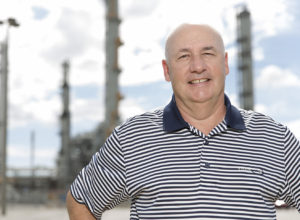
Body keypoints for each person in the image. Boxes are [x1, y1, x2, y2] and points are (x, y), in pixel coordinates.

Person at [66, 24, 300, 219]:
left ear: (225, 63)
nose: (197, 66)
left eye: (208, 53)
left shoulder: (274, 138)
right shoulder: (132, 138)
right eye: (184, 56)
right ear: (167, 71)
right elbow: (81, 201)